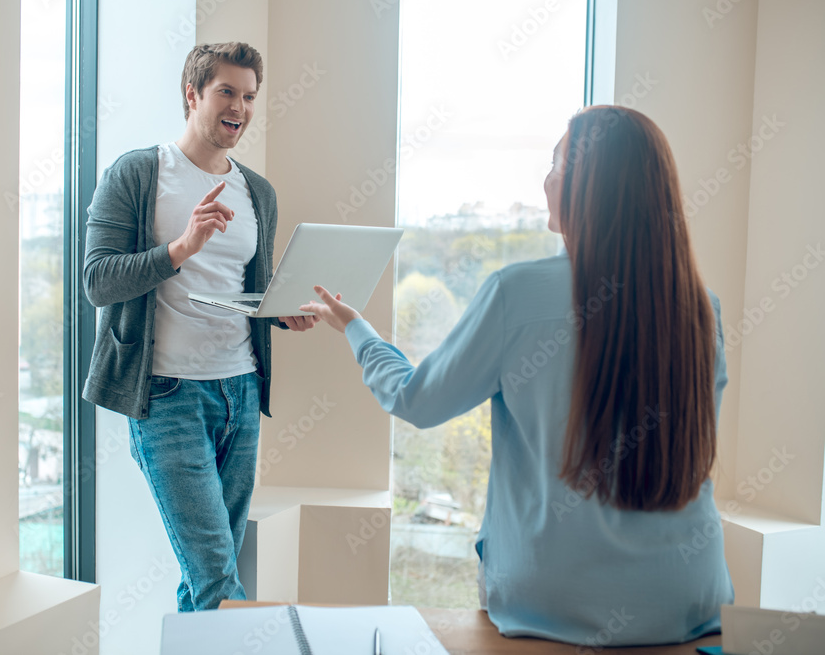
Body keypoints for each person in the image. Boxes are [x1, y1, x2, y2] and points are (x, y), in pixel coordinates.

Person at [301, 106, 733, 646]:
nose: (546, 179)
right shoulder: (702, 308)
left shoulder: (518, 293)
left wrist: (356, 330)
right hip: (689, 599)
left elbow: (417, 399)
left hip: (552, 602)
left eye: (556, 164)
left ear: (586, 185)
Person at [81, 42, 318, 612]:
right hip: (167, 397)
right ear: (193, 95)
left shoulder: (258, 192)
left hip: (240, 391)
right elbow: (97, 281)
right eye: (227, 92)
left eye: (250, 96)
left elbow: (241, 290)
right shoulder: (138, 173)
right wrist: (180, 248)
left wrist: (279, 312)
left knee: (206, 577)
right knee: (218, 582)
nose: (240, 107)